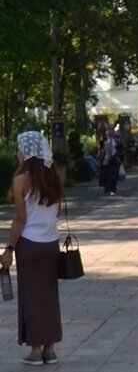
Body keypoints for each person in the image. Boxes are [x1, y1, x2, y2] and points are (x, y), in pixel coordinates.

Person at [0, 131, 63, 366]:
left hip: (29, 244)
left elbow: (20, 218)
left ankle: (36, 350)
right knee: (48, 296)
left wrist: (9, 248)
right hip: (50, 244)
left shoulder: (21, 180)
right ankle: (51, 348)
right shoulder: (54, 177)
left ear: (27, 151)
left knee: (30, 297)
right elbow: (55, 212)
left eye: (19, 149)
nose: (17, 153)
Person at [101, 125, 122, 195]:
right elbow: (101, 148)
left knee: (114, 175)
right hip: (106, 159)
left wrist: (119, 155)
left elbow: (120, 148)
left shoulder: (116, 139)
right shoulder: (104, 139)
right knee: (107, 174)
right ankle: (107, 187)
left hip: (115, 158)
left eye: (112, 129)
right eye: (109, 130)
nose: (110, 131)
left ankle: (113, 189)